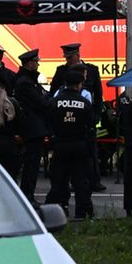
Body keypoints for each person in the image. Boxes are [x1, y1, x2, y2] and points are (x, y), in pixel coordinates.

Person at [49, 43, 107, 191]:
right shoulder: (61, 71)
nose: (68, 60)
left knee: (91, 152)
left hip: (86, 118)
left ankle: (94, 180)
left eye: (70, 57)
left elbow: (98, 95)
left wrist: (96, 116)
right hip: (66, 120)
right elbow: (53, 92)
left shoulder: (92, 70)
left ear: (77, 55)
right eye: (66, 58)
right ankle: (69, 183)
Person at [44, 68, 95, 219]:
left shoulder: (54, 102)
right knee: (80, 181)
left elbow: (48, 122)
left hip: (60, 145)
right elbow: (91, 124)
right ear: (79, 84)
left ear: (65, 84)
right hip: (79, 146)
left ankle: (54, 213)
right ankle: (81, 213)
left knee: (59, 180)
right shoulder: (84, 103)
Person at [13, 48, 50, 203]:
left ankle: (28, 195)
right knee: (31, 165)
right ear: (29, 64)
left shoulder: (29, 80)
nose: (38, 65)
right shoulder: (25, 83)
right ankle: (28, 196)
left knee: (32, 164)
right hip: (32, 129)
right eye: (36, 62)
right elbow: (40, 102)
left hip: (33, 128)